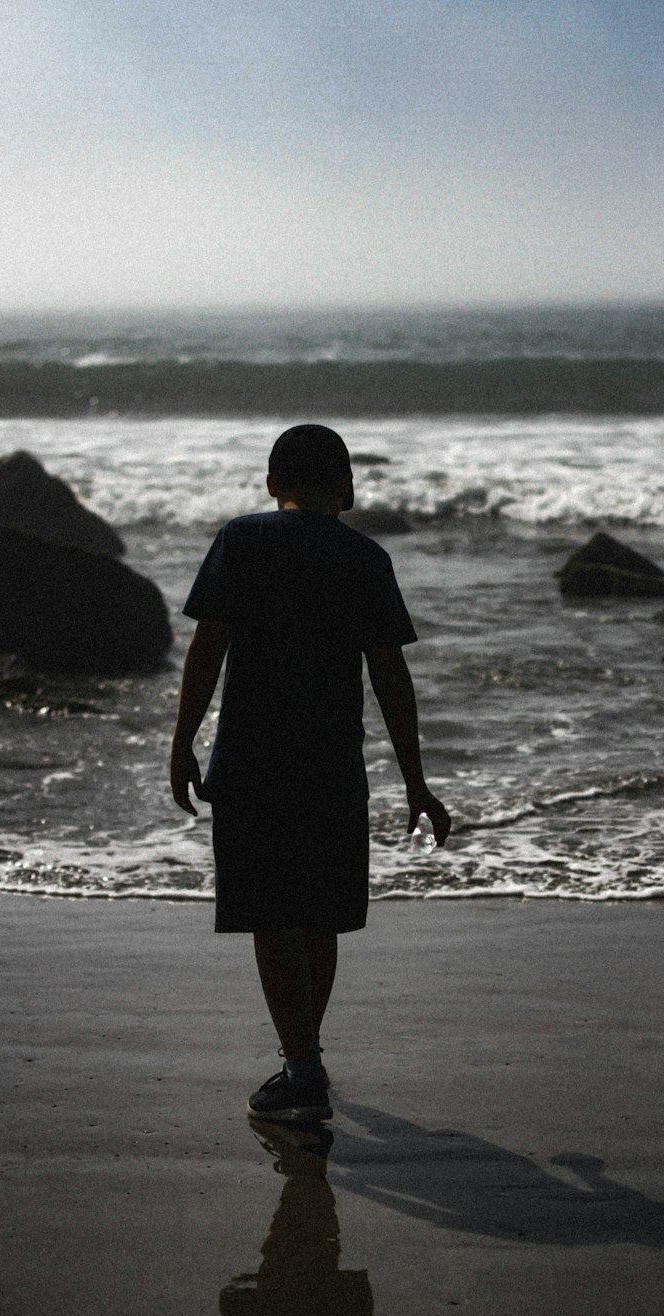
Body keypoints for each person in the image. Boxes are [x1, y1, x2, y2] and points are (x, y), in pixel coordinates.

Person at [170, 424, 450, 1123]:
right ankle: (305, 1056)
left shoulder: (242, 540)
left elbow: (206, 652)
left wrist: (181, 743)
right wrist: (415, 781)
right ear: (346, 489)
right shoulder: (365, 557)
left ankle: (302, 1068)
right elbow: (391, 677)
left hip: (252, 759)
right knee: (319, 915)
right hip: (332, 762)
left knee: (273, 915)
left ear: (273, 484)